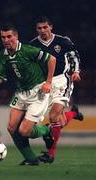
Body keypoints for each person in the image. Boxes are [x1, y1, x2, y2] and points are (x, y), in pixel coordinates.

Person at [0, 23, 56, 165]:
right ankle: (31, 159)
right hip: (21, 93)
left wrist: (48, 82)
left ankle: (47, 130)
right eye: (3, 37)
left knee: (24, 131)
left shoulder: (28, 50)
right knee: (11, 127)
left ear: (16, 37)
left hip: (38, 92)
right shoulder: (4, 55)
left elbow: (52, 59)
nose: (6, 40)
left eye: (9, 36)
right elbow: (1, 78)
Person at [30, 16, 84, 163]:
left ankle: (50, 154)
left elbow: (75, 57)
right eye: (39, 28)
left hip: (62, 80)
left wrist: (76, 72)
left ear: (50, 27)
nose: (42, 30)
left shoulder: (63, 41)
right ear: (37, 29)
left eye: (45, 27)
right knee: (57, 121)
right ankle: (73, 113)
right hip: (45, 83)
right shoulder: (33, 44)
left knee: (53, 116)